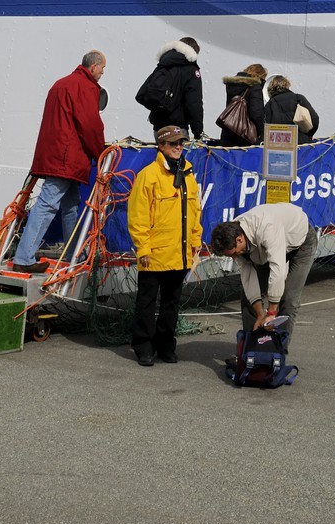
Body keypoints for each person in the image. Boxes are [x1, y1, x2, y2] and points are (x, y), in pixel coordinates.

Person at [13, 50, 107, 271]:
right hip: (68, 157)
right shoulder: (86, 87)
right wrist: (99, 153)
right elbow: (90, 125)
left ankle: (72, 253)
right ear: (93, 67)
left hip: (54, 152)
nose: (103, 73)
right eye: (102, 69)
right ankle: (24, 259)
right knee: (48, 204)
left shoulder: (60, 84)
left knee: (70, 205)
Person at [126, 125, 202, 367]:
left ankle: (166, 344)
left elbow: (195, 213)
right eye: (173, 143)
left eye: (181, 143)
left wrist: (195, 244)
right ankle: (143, 346)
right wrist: (143, 248)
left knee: (172, 303)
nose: (178, 147)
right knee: (147, 303)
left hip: (179, 254)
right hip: (154, 254)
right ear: (161, 146)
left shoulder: (189, 175)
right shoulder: (148, 175)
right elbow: (138, 217)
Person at [209, 203, 318, 345]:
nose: (234, 258)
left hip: (300, 244)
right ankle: (251, 350)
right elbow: (248, 277)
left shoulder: (267, 228)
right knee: (249, 300)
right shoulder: (235, 236)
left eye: (234, 254)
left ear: (239, 239)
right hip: (263, 250)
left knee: (289, 299)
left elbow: (277, 269)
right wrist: (261, 314)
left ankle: (278, 352)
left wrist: (272, 313)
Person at [139, 37, 204, 141]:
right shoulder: (191, 69)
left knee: (162, 157)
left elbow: (144, 93)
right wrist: (198, 132)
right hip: (177, 130)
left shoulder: (163, 65)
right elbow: (194, 103)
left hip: (158, 129)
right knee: (178, 156)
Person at [218, 62, 267, 146]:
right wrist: (262, 132)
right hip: (245, 137)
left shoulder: (232, 85)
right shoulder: (255, 87)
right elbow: (256, 113)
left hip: (229, 132)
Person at [264, 75, 319, 142]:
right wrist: (307, 135)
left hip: (279, 144)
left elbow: (265, 127)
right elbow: (315, 119)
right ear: (287, 85)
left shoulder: (269, 104)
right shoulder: (299, 98)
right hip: (300, 143)